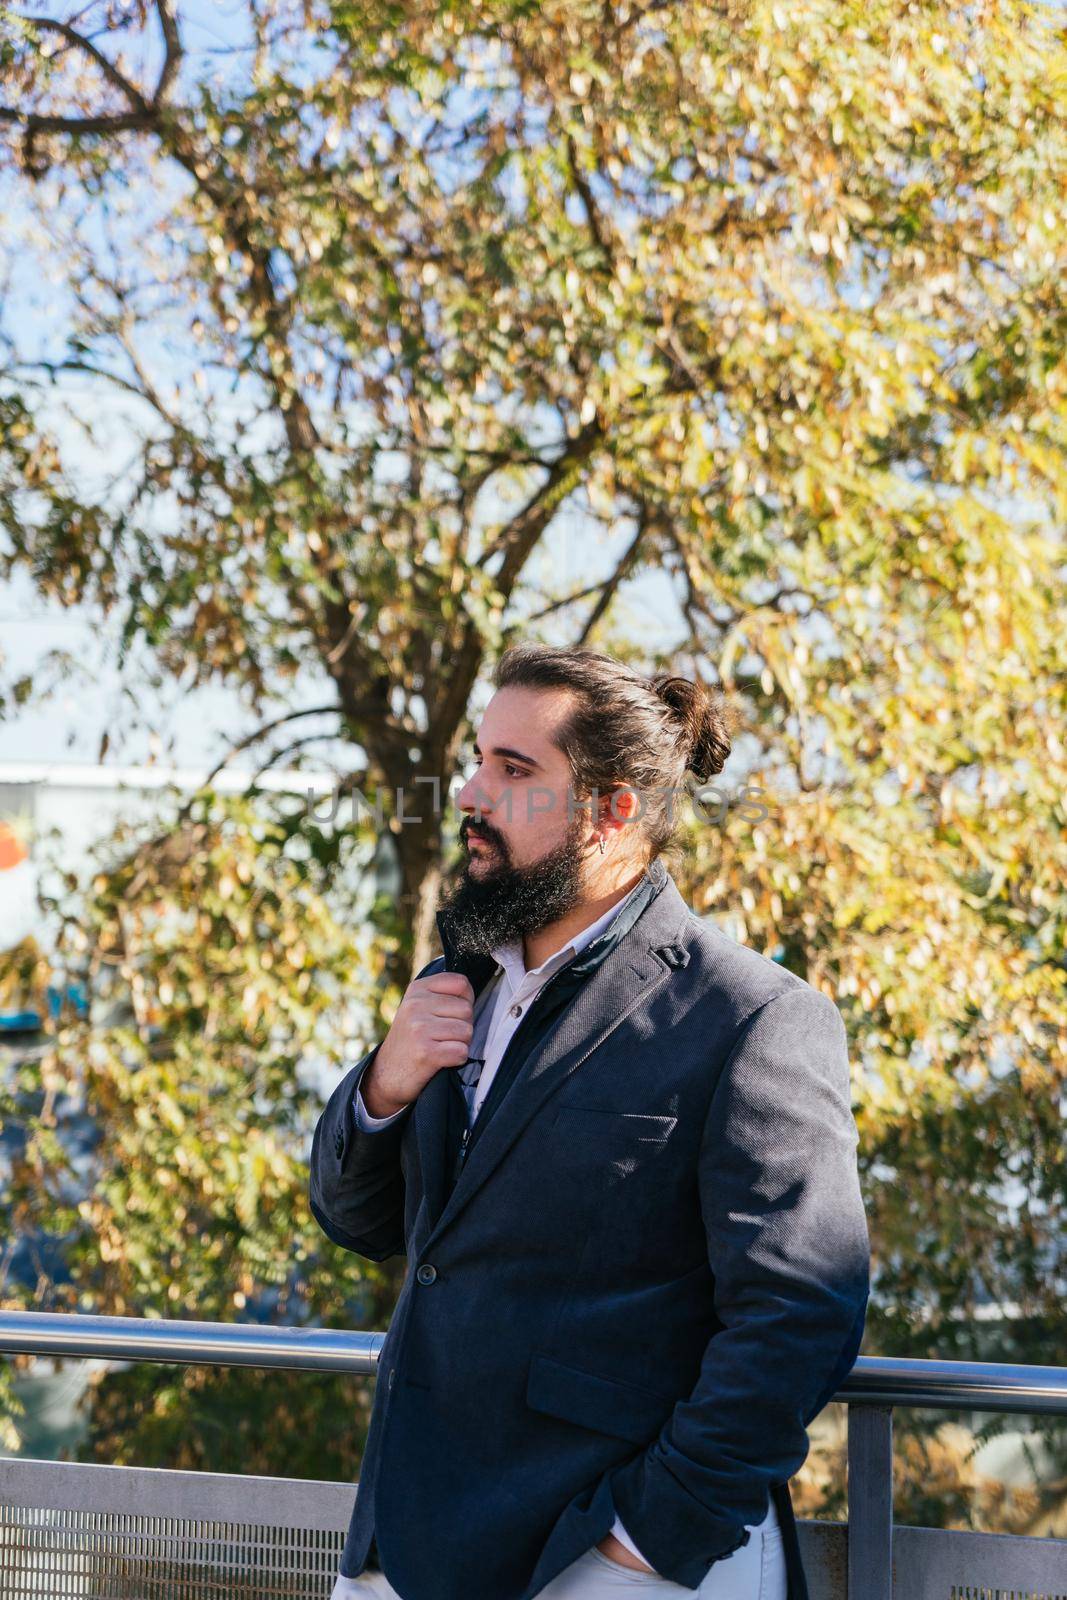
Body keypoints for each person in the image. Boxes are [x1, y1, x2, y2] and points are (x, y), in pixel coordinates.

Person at [310, 642, 870, 1600]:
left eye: (514, 770)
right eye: (478, 758)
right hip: (406, 1543)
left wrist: (644, 1546)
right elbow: (361, 1227)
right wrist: (384, 1090)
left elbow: (799, 1314)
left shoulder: (751, 1017)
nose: (470, 792)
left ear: (613, 810)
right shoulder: (458, 984)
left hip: (604, 1557)